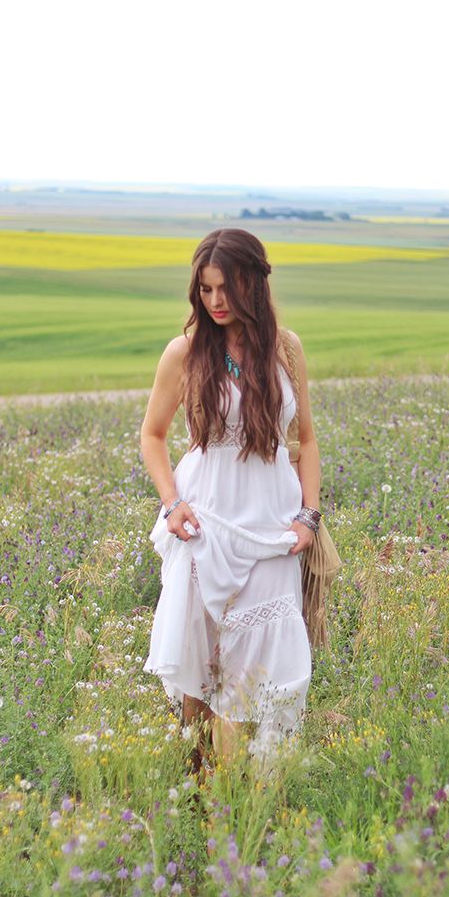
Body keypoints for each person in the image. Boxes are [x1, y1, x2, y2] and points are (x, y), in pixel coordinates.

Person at [140, 229, 321, 762]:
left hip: (273, 531)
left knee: (253, 674)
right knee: (200, 674)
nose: (215, 302)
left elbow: (306, 440)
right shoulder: (186, 352)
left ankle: (247, 795)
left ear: (253, 283)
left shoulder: (286, 349)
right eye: (206, 290)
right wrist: (172, 504)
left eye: (225, 288)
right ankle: (202, 793)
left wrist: (309, 517)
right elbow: (152, 435)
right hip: (206, 524)